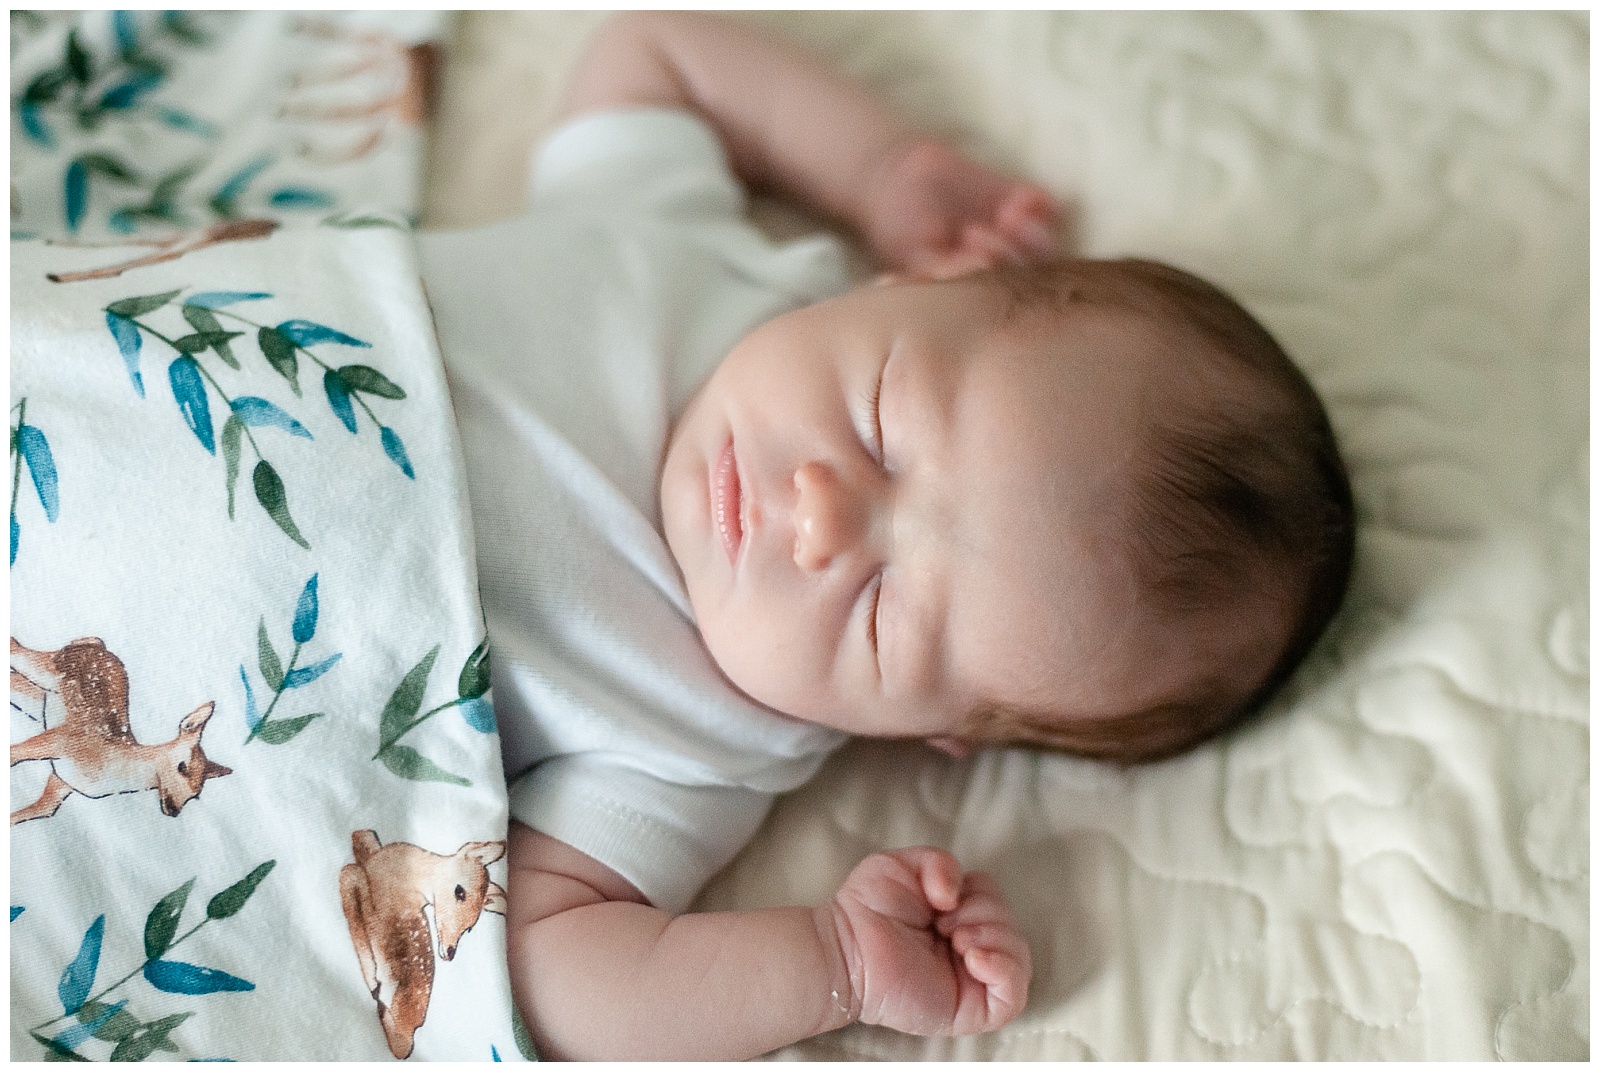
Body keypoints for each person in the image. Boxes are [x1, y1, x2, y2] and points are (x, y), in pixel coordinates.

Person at [416, 11, 1354, 1061]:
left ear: (926, 731)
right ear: (909, 290)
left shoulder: (703, 744)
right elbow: (655, 49)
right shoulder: (688, 253)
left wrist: (836, 961)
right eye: (878, 421)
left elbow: (542, 978)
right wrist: (881, 167)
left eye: (883, 612)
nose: (821, 515)